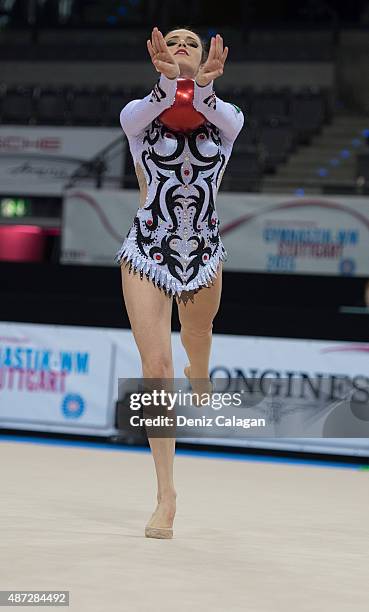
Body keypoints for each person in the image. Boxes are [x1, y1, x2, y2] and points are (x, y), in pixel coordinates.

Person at [115, 25, 244, 538]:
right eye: (174, 42)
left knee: (196, 334)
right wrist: (173, 84)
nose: (184, 46)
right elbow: (154, 106)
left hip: (204, 252)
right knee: (156, 364)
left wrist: (202, 87)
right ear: (157, 55)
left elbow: (216, 112)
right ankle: (166, 494)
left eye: (192, 41)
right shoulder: (135, 115)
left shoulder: (229, 120)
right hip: (147, 249)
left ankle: (202, 366)